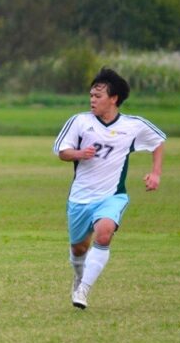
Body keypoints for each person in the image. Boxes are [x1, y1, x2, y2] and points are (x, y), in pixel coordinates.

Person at [54, 68, 165, 309]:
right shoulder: (80, 122)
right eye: (91, 95)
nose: (92, 99)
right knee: (78, 247)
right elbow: (62, 152)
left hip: (112, 196)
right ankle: (78, 276)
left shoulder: (132, 126)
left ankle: (83, 290)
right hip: (80, 198)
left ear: (113, 98)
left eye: (98, 95)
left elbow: (158, 141)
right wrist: (80, 153)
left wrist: (155, 173)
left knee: (104, 233)